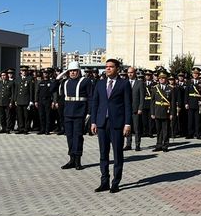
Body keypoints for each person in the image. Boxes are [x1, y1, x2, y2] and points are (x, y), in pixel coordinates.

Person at [90, 59, 132, 193]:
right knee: (103, 153)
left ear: (117, 69)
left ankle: (116, 182)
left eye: (111, 67)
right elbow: (95, 103)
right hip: (102, 122)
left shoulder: (124, 84)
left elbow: (128, 105)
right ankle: (104, 181)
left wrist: (127, 123)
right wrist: (93, 121)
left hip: (117, 124)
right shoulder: (100, 83)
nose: (107, 69)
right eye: (106, 67)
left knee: (118, 153)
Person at [58, 62, 93, 170]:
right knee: (69, 137)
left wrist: (89, 112)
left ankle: (78, 161)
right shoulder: (65, 82)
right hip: (68, 113)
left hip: (79, 113)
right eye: (70, 71)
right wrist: (60, 75)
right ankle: (71, 160)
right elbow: (53, 87)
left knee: (77, 137)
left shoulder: (85, 81)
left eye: (74, 71)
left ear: (79, 71)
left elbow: (91, 97)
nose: (72, 73)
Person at [151, 72, 175, 152]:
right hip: (157, 111)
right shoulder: (155, 88)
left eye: (163, 78)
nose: (161, 79)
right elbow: (152, 102)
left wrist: (172, 113)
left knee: (165, 130)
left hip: (166, 112)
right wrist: (152, 113)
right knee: (158, 130)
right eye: (160, 78)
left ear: (166, 79)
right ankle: (158, 145)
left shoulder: (171, 89)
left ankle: (165, 145)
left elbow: (172, 103)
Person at [125, 67, 145, 151]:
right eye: (128, 72)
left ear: (135, 73)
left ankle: (137, 144)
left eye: (131, 72)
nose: (130, 74)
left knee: (137, 128)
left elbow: (142, 97)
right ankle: (128, 144)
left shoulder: (139, 83)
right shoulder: (125, 83)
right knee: (127, 127)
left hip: (136, 109)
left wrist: (140, 107)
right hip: (126, 109)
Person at [13, 66, 34, 134]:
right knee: (19, 116)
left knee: (26, 116)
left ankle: (26, 129)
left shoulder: (30, 79)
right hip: (19, 100)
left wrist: (31, 100)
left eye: (25, 71)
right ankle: (20, 128)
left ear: (27, 72)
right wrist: (15, 100)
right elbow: (16, 90)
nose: (24, 72)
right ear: (20, 72)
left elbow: (31, 90)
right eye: (22, 71)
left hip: (26, 100)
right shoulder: (18, 79)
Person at [185, 67, 201, 139]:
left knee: (197, 120)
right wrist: (186, 103)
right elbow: (186, 93)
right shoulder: (189, 82)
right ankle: (190, 134)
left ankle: (197, 134)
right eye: (194, 74)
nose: (195, 75)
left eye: (197, 74)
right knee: (190, 120)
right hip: (190, 102)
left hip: (198, 103)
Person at [35, 69, 55, 135]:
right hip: (41, 101)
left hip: (48, 100)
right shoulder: (40, 82)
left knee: (48, 115)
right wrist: (36, 101)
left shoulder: (51, 82)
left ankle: (47, 130)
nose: (45, 74)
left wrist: (53, 101)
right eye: (44, 73)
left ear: (49, 74)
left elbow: (53, 93)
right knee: (41, 115)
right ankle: (42, 129)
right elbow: (37, 92)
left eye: (46, 73)